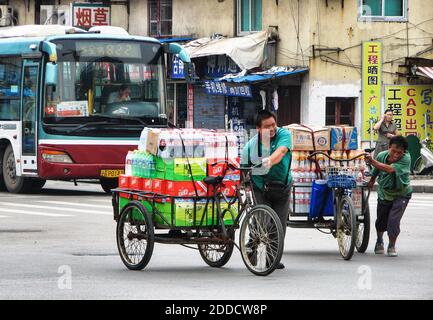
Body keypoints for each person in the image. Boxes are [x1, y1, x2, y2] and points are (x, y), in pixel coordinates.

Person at [241, 110, 292, 269]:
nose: (272, 129)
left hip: (283, 186)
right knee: (265, 222)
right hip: (260, 188)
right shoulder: (250, 147)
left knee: (279, 225)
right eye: (267, 127)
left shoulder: (284, 134)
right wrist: (245, 186)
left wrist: (269, 160)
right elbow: (243, 170)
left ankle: (272, 258)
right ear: (258, 129)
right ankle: (252, 245)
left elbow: (282, 151)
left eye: (273, 124)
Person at [366, 135, 412, 257]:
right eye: (394, 151)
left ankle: (392, 245)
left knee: (393, 221)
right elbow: (376, 170)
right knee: (381, 220)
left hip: (401, 193)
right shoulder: (382, 156)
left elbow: (390, 169)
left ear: (404, 152)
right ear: (389, 147)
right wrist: (371, 181)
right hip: (384, 192)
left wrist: (372, 161)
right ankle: (379, 241)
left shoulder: (406, 158)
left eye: (399, 152)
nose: (396, 154)